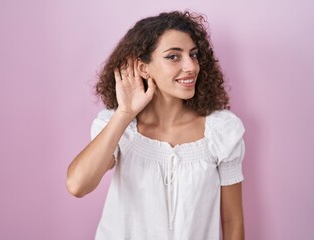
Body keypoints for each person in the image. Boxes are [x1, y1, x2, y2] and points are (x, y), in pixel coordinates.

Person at [66, 10, 245, 240]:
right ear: (143, 68)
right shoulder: (119, 128)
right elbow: (77, 185)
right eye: (174, 56)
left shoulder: (222, 132)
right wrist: (125, 113)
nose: (191, 66)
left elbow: (232, 221)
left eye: (194, 54)